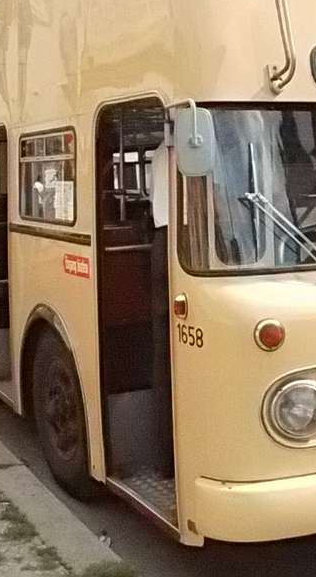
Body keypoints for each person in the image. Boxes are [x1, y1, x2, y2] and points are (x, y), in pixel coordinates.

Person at [148, 145, 174, 478]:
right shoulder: (194, 143)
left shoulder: (158, 152)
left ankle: (163, 458)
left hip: (162, 242)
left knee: (163, 353)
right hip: (181, 241)